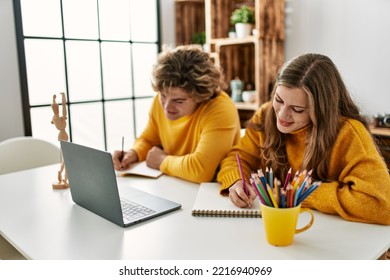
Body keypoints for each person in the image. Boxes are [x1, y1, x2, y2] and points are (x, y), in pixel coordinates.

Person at [217, 53, 390, 225]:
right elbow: (237, 157)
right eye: (278, 100)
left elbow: (381, 204)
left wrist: (304, 193)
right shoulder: (266, 114)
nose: (282, 114)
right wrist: (237, 180)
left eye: (297, 109)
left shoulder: (348, 133)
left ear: (321, 110)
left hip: (327, 236)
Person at [112, 45, 241, 183]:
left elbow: (201, 170)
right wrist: (134, 153)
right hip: (175, 182)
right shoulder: (162, 100)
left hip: (211, 192)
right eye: (162, 95)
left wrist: (162, 160)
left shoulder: (221, 109)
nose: (167, 106)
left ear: (200, 96)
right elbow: (148, 139)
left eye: (179, 100)